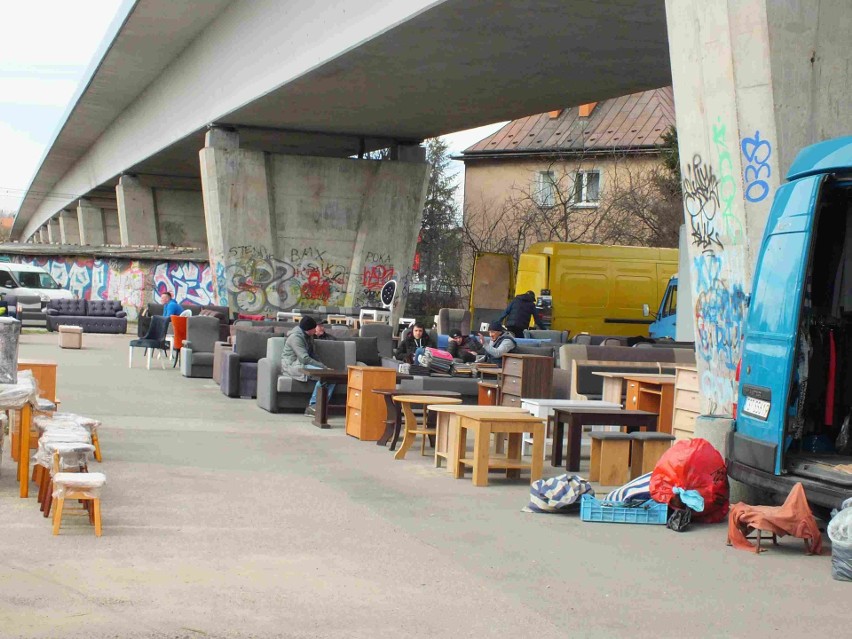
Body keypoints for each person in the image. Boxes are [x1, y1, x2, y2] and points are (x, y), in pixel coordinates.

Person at [280, 317, 332, 417]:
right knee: (325, 376)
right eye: (315, 328)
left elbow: (313, 355)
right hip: (293, 365)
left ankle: (319, 406)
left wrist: (324, 367)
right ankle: (312, 407)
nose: (317, 329)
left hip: (303, 364)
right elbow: (304, 358)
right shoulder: (295, 338)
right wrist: (323, 368)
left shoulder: (309, 336)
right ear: (309, 329)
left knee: (331, 378)